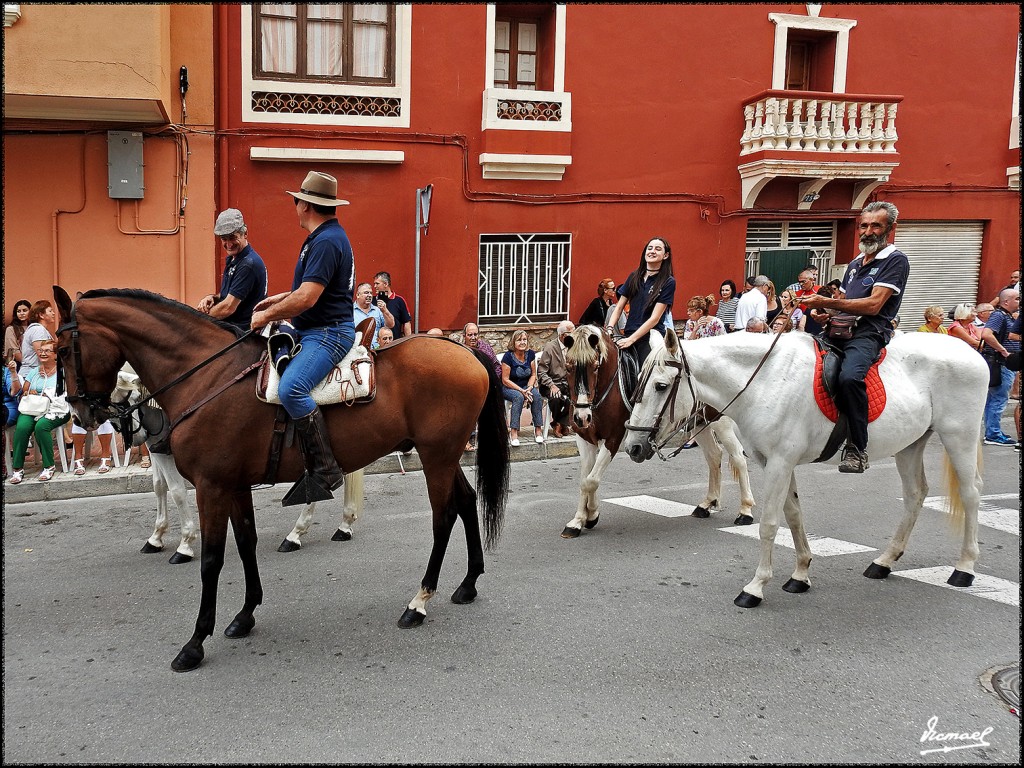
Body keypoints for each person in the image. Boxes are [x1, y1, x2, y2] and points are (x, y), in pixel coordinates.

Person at [249, 170, 355, 506]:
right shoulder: (324, 237)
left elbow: (308, 297)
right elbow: (310, 289)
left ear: (305, 205)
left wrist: (266, 315)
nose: (294, 207)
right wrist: (277, 301)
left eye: (296, 201)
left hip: (328, 334)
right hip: (315, 329)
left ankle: (325, 469)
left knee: (291, 388)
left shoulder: (325, 241)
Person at [801, 201, 909, 473]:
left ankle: (858, 448)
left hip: (871, 332)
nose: (868, 231)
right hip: (843, 328)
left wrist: (830, 303)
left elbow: (873, 305)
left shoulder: (896, 260)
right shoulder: (854, 264)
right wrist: (825, 314)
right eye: (864, 225)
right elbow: (847, 302)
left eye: (876, 225)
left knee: (849, 377)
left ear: (890, 228)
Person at [606, 236, 676, 366]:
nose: (652, 251)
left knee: (645, 377)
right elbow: (619, 307)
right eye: (649, 248)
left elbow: (655, 318)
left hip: (651, 338)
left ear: (665, 255)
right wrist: (609, 329)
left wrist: (631, 340)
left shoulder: (668, 281)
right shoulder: (634, 276)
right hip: (628, 334)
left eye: (657, 249)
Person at [8, 340, 70, 484]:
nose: (42, 353)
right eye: (41, 350)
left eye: (47, 351)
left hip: (56, 409)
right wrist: (32, 391)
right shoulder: (34, 372)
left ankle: (49, 466)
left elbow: (67, 394)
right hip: (34, 407)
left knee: (41, 427)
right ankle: (18, 469)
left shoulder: (63, 372)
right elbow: (24, 392)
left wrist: (46, 393)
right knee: (22, 428)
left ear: (56, 355)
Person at [197, 208, 268, 331]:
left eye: (232, 237)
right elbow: (230, 294)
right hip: (233, 328)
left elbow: (228, 307)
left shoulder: (248, 264)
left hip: (243, 333)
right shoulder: (235, 259)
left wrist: (198, 320)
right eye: (224, 239)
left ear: (245, 233)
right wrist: (213, 297)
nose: (228, 244)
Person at [982, 287, 1020, 445]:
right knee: (998, 399)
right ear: (1006, 301)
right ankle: (993, 434)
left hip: (1004, 364)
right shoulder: (999, 315)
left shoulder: (1008, 316)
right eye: (1016, 299)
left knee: (993, 399)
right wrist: (1003, 351)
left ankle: (991, 432)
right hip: (1001, 364)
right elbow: (986, 334)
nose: (1019, 301)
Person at [501, 329, 544, 446]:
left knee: (536, 395)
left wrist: (529, 389)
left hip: (526, 386)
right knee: (518, 397)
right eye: (519, 340)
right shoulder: (508, 357)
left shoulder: (530, 354)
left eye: (524, 339)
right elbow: (505, 380)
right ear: (513, 342)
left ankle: (538, 429)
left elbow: (533, 374)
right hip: (509, 387)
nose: (522, 342)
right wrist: (522, 391)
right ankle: (514, 431)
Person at [462, 322, 501, 450]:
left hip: (486, 385)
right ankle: (467, 438)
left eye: (475, 334)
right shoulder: (461, 349)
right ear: (464, 336)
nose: (473, 337)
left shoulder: (485, 348)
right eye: (470, 335)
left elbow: (496, 366)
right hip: (467, 387)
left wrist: (493, 381)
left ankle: (490, 437)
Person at [537, 320, 575, 439]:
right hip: (550, 383)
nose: (574, 336)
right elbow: (541, 372)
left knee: (576, 397)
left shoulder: (573, 347)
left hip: (567, 383)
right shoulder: (550, 347)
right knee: (555, 398)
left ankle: (559, 422)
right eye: (571, 333)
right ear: (562, 335)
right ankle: (560, 423)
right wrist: (552, 385)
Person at [372, 271, 412, 338]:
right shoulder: (372, 301)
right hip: (375, 344)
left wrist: (408, 342)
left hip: (394, 343)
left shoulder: (399, 300)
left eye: (377, 283)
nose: (375, 286)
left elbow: (406, 322)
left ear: (385, 284)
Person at [352, 282, 391, 349]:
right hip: (358, 353)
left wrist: (385, 311)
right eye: (366, 293)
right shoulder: (350, 311)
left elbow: (390, 325)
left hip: (377, 351)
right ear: (358, 295)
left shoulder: (378, 310)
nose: (369, 295)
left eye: (371, 293)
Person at [20, 300, 56, 370]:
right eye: (50, 311)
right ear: (41, 315)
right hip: (34, 373)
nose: (53, 313)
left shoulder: (37, 329)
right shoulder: (38, 330)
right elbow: (43, 354)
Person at [794, 269, 825, 335]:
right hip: (801, 323)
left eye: (803, 281)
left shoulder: (820, 290)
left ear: (811, 280)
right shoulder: (797, 294)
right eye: (799, 282)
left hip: (816, 322)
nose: (801, 284)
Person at [4, 299, 31, 368]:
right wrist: (28, 364)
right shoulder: (11, 329)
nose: (21, 313)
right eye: (18, 311)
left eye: (25, 310)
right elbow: (14, 351)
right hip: (18, 365)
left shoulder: (34, 327)